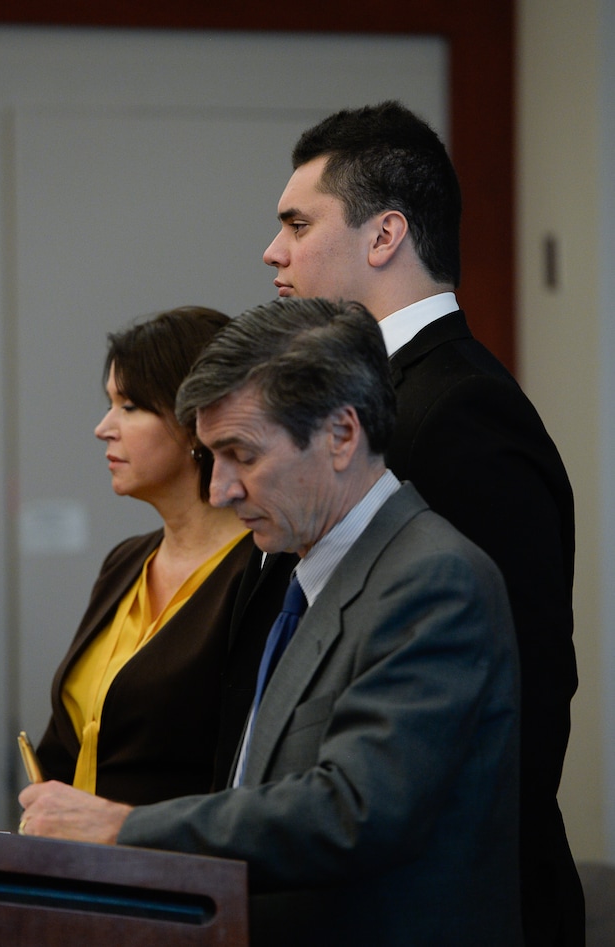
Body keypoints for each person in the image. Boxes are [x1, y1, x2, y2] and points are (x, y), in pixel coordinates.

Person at [20, 297, 522, 947]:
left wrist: (122, 826)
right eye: (211, 455)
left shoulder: (432, 579)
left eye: (242, 455)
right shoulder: (299, 573)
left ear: (342, 434)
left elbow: (353, 810)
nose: (220, 489)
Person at [259, 102, 582, 946]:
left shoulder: (461, 412)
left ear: (384, 235)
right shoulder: (376, 397)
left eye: (298, 222)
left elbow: (524, 691)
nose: (274, 251)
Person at [34, 306, 254, 805]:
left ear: (199, 418)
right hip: (71, 867)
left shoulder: (263, 570)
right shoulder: (125, 561)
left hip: (174, 869)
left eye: (129, 406)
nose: (103, 428)